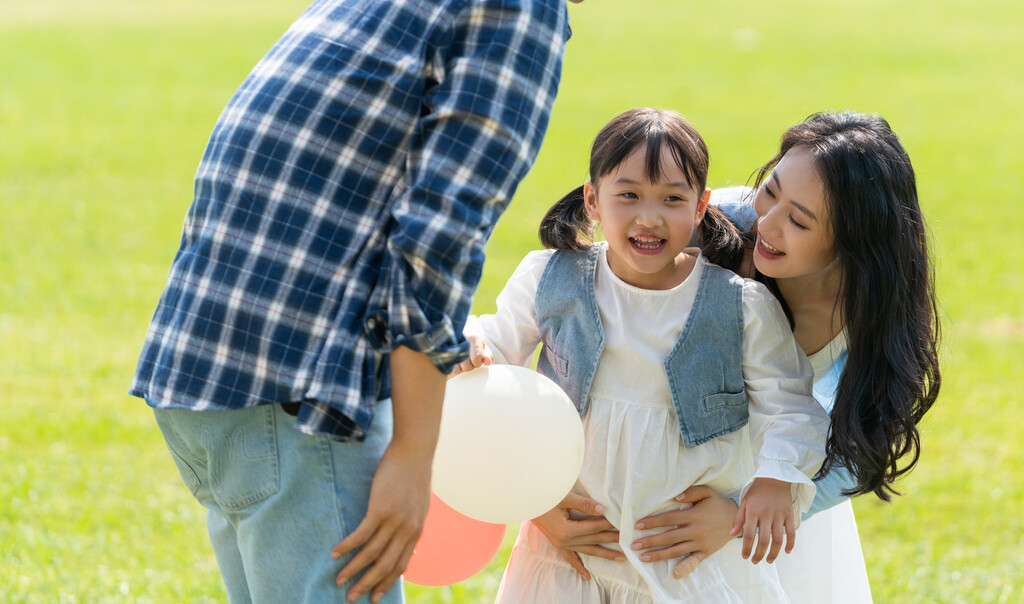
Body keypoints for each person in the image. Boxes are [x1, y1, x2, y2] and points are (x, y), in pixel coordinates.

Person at [129, 1, 578, 602]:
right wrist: (414, 456)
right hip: (303, 398)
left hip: (208, 363)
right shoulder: (520, 8)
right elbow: (439, 236)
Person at [526, 112, 941, 603]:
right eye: (771, 189)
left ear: (850, 245)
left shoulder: (871, 315)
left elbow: (857, 451)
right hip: (648, 481)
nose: (767, 222)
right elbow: (587, 311)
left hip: (770, 509)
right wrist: (537, 490)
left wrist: (740, 515)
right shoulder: (708, 221)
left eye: (799, 220)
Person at [458, 107, 831, 602]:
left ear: (700, 207)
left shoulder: (740, 306)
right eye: (628, 194)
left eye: (672, 199)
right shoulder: (549, 278)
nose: (649, 217)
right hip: (571, 555)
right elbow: (489, 367)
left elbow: (789, 404)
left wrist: (773, 481)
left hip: (684, 561)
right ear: (593, 199)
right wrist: (464, 339)